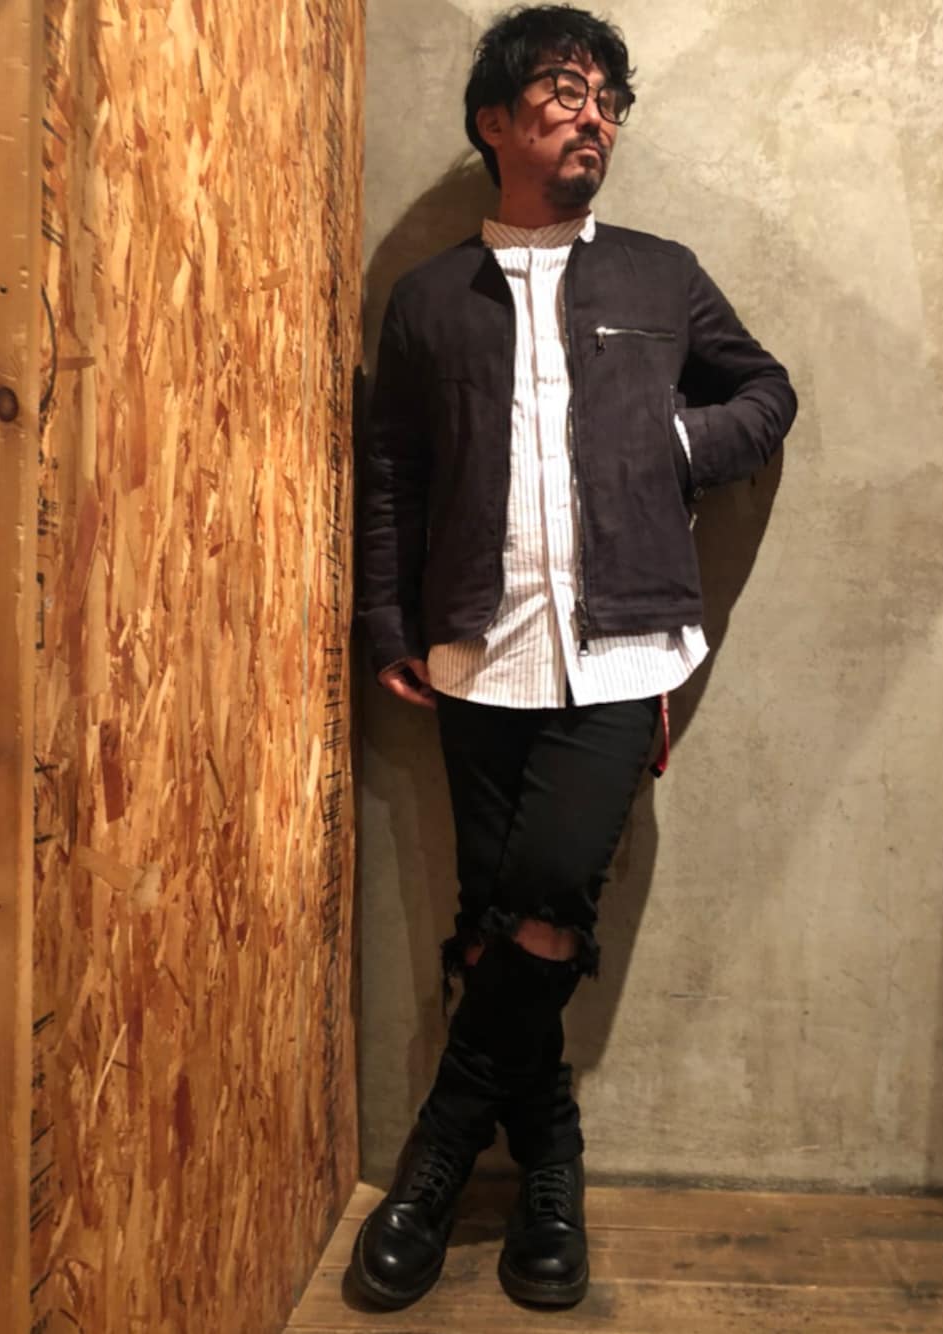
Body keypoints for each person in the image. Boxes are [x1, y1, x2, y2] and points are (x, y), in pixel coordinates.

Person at [351, 2, 797, 1311]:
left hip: (625, 650)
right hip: (474, 651)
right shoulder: (428, 300)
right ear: (494, 121)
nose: (593, 113)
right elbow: (393, 474)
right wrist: (388, 625)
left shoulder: (662, 276)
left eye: (608, 97)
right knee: (496, 912)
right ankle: (550, 1161)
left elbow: (766, 391)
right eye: (563, 89)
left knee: (545, 893)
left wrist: (676, 446)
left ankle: (436, 1159)